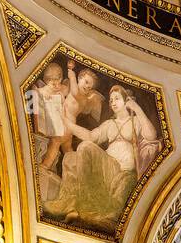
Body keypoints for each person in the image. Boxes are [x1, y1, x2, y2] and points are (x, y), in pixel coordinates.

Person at [43, 83, 161, 229]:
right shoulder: (109, 124)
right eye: (111, 100)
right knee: (70, 157)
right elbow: (90, 136)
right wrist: (67, 123)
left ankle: (83, 205)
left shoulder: (135, 121)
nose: (112, 103)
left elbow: (151, 135)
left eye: (117, 98)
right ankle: (75, 203)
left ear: (127, 101)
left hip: (122, 171)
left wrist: (137, 109)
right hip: (107, 168)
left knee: (85, 147)